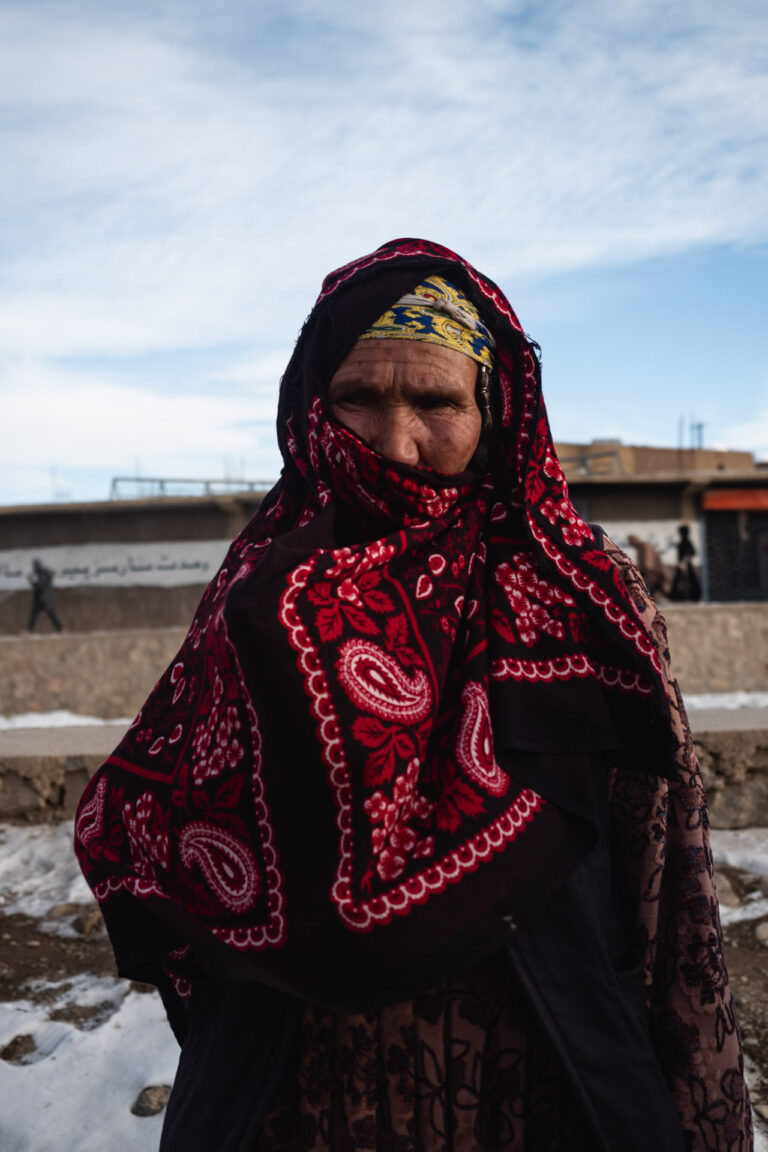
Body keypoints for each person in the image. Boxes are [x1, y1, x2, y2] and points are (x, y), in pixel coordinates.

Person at [74, 239, 752, 1151]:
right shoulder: (255, 595)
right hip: (289, 1102)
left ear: (495, 411)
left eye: (437, 402)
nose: (397, 444)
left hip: (543, 1088)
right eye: (359, 398)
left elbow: (670, 897)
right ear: (313, 407)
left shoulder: (583, 596)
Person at [627, 533, 668, 598]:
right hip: (651, 572)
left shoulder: (644, 546)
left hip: (654, 572)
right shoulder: (640, 548)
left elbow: (647, 564)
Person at [27, 558, 62, 632]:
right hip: (44, 598)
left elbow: (40, 586)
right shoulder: (44, 573)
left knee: (37, 614)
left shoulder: (43, 574)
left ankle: (60, 629)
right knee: (46, 614)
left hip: (43, 599)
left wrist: (32, 582)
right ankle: (60, 629)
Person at [671, 524, 702, 602]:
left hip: (685, 565)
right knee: (679, 580)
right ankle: (677, 597)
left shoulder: (686, 541)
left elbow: (691, 552)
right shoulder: (683, 541)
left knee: (689, 581)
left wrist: (683, 562)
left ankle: (695, 597)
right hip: (683, 564)